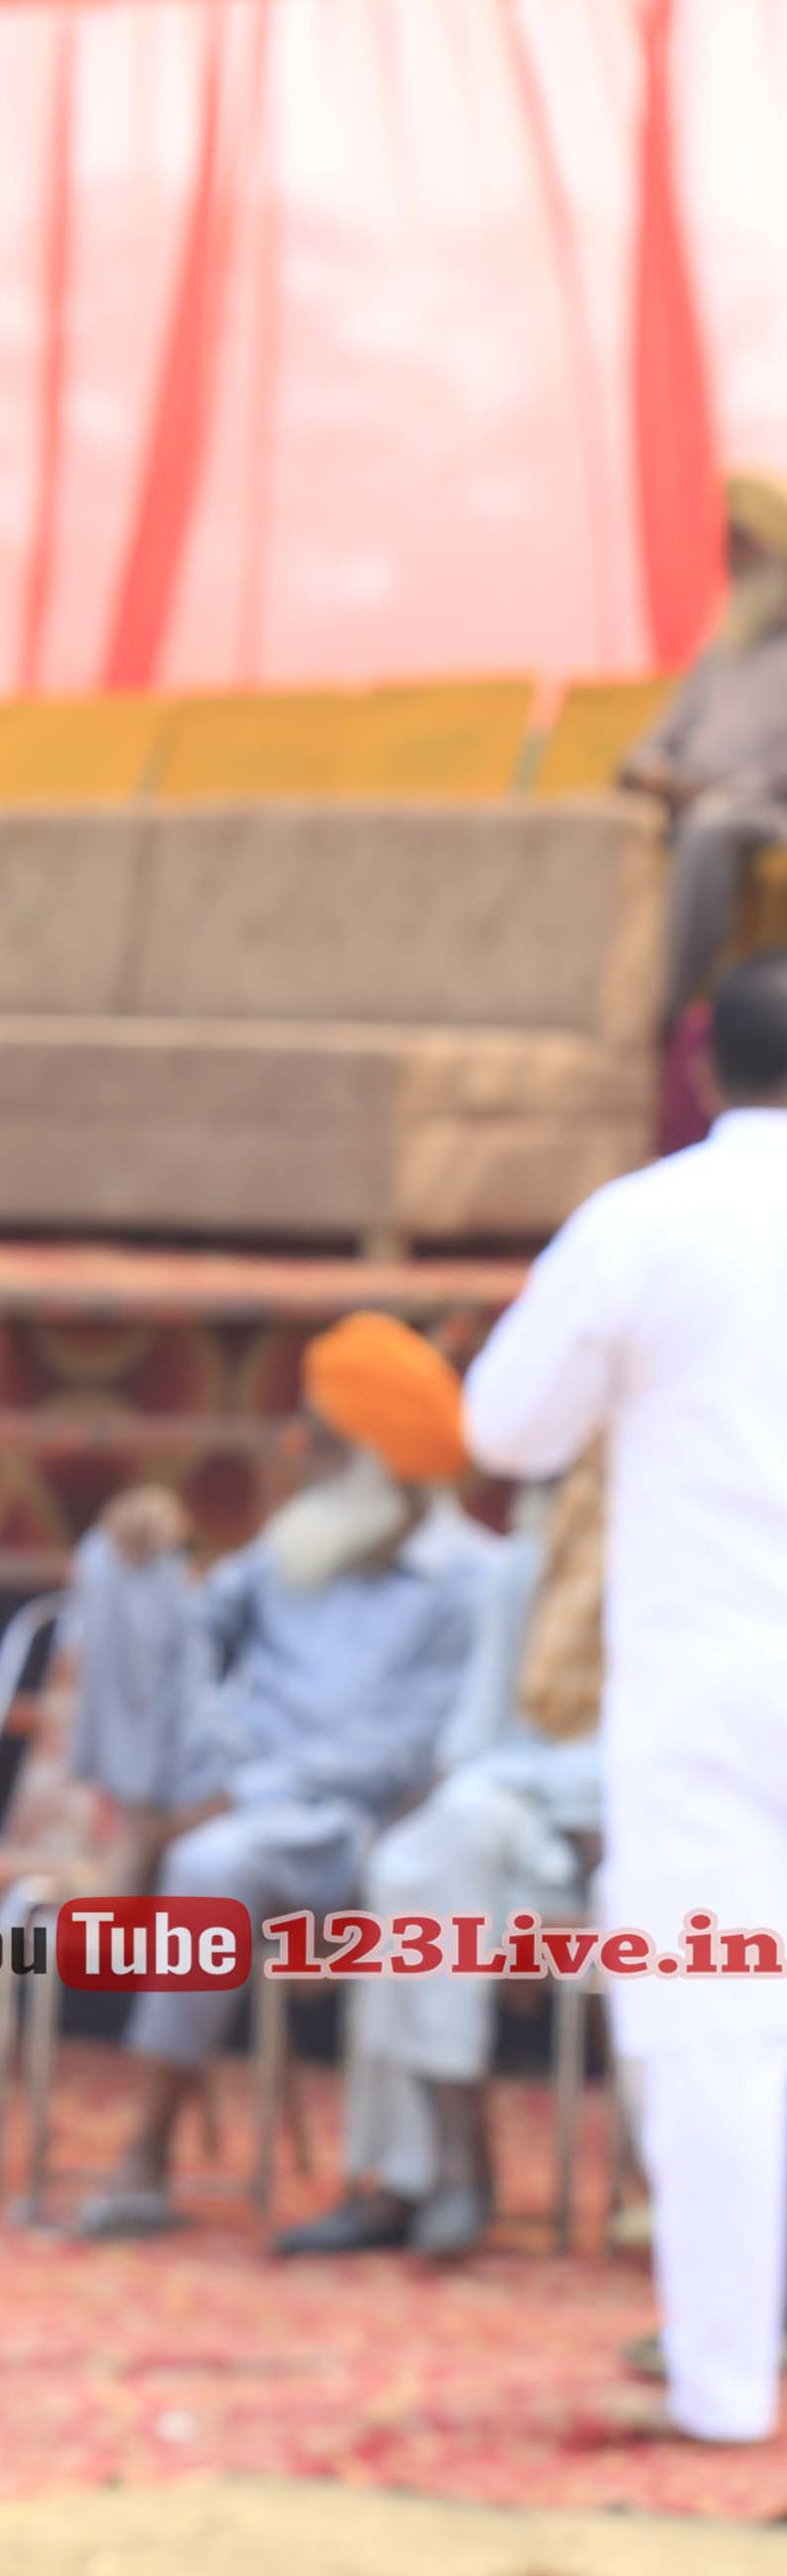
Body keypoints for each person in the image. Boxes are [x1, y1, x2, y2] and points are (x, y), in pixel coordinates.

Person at [459, 952, 787, 2448]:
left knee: (713, 2009)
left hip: (705, 1678)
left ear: (704, 1068)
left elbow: (508, 1428)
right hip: (701, 1670)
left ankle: (726, 2380)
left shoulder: (645, 1224)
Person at [65, 1317, 487, 2242]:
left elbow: (412, 1757)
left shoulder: (469, 1583)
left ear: (372, 1459)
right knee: (214, 1854)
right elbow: (178, 1642)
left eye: (320, 1441)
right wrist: (146, 1549)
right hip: (246, 1808)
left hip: (366, 1826)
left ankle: (148, 2149)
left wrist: (235, 1797)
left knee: (215, 1859)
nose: (301, 1458)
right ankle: (147, 2159)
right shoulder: (292, 1553)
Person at [275, 1444, 608, 2262]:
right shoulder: (522, 1571)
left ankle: (430, 2165)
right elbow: (473, 1740)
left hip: (629, 1828)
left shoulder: (692, 1579)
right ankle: (425, 2164)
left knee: (428, 1866)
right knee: (405, 1863)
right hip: (508, 1812)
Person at [617, 473, 787, 1041]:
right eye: (727, 542)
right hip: (683, 798)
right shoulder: (721, 651)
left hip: (764, 810)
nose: (731, 558)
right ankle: (606, 998)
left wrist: (705, 790)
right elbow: (654, 741)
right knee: (610, 824)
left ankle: (672, 1010)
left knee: (713, 822)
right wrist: (648, 772)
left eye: (743, 542)